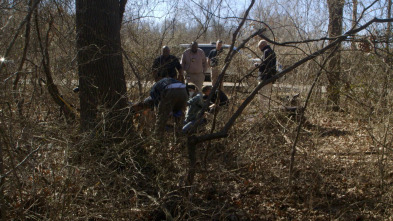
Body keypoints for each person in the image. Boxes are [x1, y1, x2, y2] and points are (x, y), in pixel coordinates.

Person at [256, 40, 276, 110]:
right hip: (270, 78)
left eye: (259, 47)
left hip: (265, 78)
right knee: (266, 97)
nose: (259, 49)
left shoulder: (266, 51)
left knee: (262, 97)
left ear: (262, 45)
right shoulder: (272, 52)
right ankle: (265, 112)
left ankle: (263, 112)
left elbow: (265, 64)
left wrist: (258, 65)